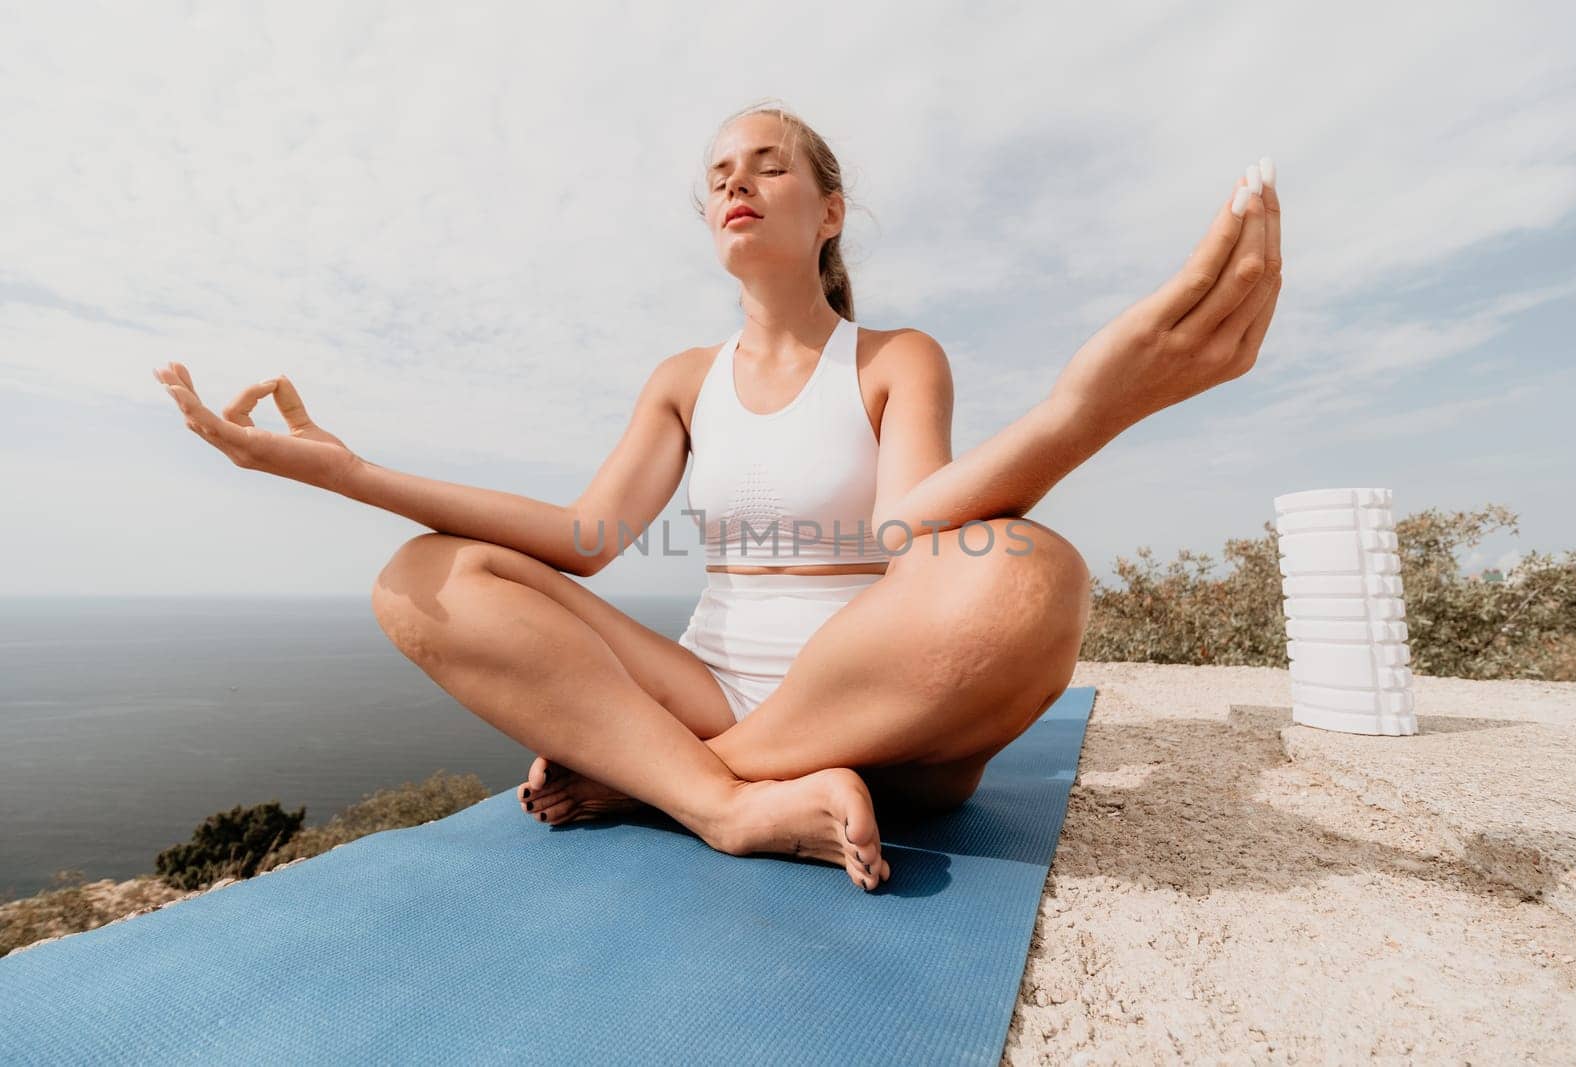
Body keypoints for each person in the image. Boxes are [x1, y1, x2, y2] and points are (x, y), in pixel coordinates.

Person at [153, 102, 1282, 893]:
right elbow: (584, 541)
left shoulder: (895, 357)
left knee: (1031, 573)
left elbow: (908, 531)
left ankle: (666, 785)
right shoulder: (682, 380)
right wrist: (354, 476)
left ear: (831, 211)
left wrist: (1085, 409)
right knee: (425, 576)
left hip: (879, 706)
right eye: (717, 174)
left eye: (769, 163)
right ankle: (727, 801)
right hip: (712, 689)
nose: (734, 179)